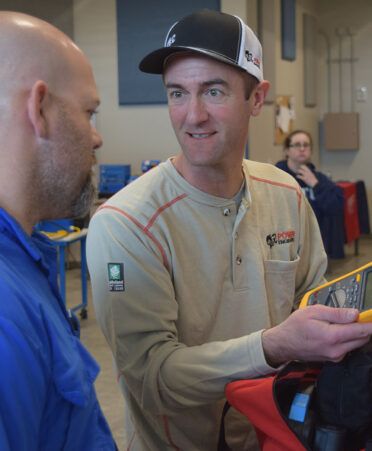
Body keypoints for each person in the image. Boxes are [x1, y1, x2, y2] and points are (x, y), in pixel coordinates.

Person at [87, 10, 372, 450]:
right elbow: (151, 378)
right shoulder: (127, 224)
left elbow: (315, 300)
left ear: (257, 99)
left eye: (213, 91)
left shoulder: (285, 194)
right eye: (177, 93)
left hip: (277, 436)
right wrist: (273, 346)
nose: (192, 115)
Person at [0, 12, 116, 450]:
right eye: (89, 112)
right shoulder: (4, 312)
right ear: (40, 108)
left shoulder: (24, 257)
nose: (97, 137)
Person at [276, 130, 345, 258]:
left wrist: (315, 185)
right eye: (296, 145)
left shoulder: (319, 179)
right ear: (287, 150)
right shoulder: (275, 177)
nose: (302, 148)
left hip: (313, 247)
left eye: (306, 145)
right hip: (283, 244)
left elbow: (335, 206)